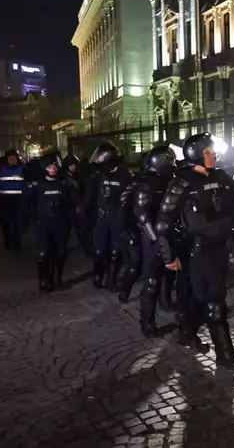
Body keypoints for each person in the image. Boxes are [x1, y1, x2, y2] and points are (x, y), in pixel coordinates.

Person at [155, 133, 234, 370]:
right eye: (208, 152)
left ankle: (186, 333)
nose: (214, 155)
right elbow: (164, 223)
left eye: (213, 151)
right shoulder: (181, 183)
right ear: (195, 155)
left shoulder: (222, 177)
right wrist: (169, 255)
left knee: (202, 299)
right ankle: (225, 354)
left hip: (220, 247)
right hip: (197, 252)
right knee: (214, 301)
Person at [132, 146, 176, 337]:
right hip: (152, 237)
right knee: (151, 280)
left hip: (171, 232)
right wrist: (157, 240)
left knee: (171, 274)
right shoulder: (146, 183)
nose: (174, 164)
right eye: (171, 161)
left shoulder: (172, 180)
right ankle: (147, 321)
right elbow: (142, 215)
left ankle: (167, 302)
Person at [80, 141, 132, 290]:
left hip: (117, 217)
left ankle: (112, 279)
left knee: (116, 252)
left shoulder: (125, 175)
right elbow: (89, 194)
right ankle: (98, 274)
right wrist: (82, 208)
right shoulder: (98, 175)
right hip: (101, 217)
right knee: (98, 250)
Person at [22, 152, 72, 292]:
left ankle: (57, 279)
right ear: (45, 168)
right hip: (43, 225)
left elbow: (69, 203)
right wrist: (29, 219)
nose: (53, 169)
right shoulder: (38, 185)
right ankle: (43, 281)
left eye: (55, 166)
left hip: (60, 224)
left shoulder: (62, 184)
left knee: (60, 252)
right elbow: (27, 203)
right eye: (50, 167)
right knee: (43, 254)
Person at [118, 152, 149, 303]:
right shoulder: (135, 183)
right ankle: (124, 291)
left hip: (152, 228)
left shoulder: (160, 180)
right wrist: (128, 230)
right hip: (136, 228)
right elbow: (124, 207)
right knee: (135, 264)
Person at [0, 149, 26, 251]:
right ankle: (8, 239)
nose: (12, 160)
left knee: (18, 222)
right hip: (3, 201)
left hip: (19, 201)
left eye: (14, 157)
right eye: (10, 158)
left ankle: (17, 242)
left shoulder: (23, 169)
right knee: (5, 222)